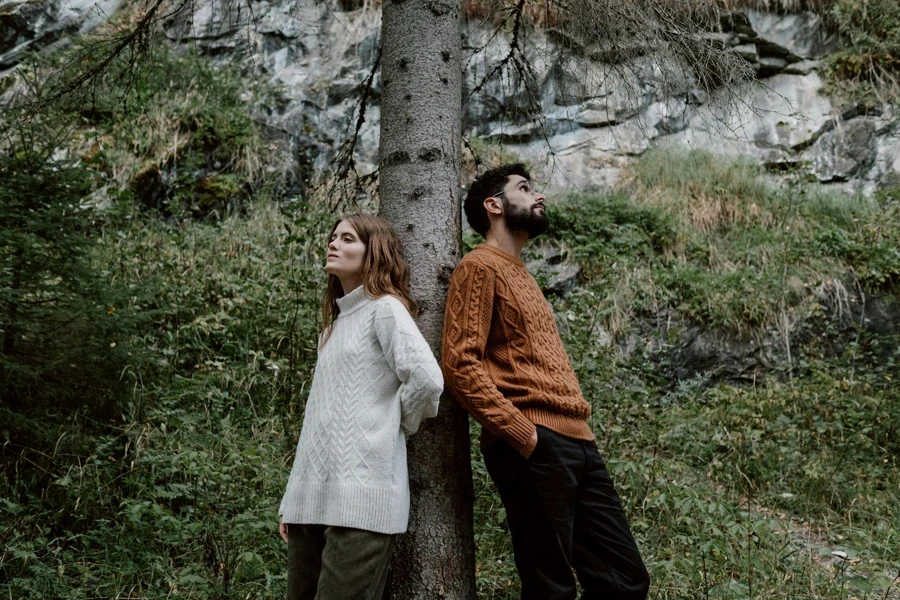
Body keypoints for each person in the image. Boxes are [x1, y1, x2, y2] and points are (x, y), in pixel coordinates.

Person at [441, 164, 651, 600]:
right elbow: (460, 363)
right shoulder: (478, 267)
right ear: (494, 205)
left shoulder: (522, 274)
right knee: (550, 587)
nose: (539, 196)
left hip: (577, 441)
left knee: (625, 580)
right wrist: (522, 432)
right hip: (533, 445)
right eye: (525, 188)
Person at [278, 213, 443, 600]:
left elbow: (427, 379)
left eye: (348, 238)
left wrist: (394, 419)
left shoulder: (384, 310)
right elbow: (317, 420)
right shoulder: (332, 330)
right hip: (309, 502)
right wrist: (292, 499)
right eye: (333, 237)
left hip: (362, 502)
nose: (334, 243)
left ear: (374, 253)